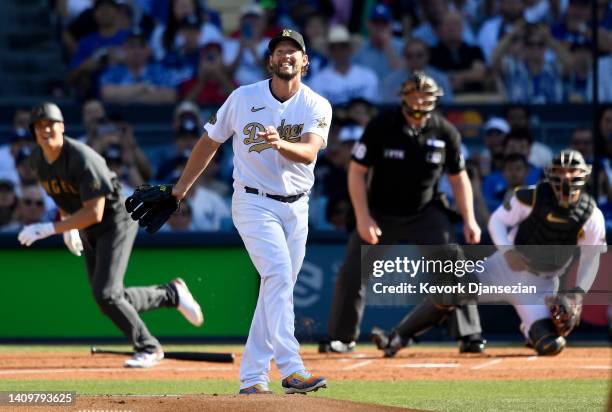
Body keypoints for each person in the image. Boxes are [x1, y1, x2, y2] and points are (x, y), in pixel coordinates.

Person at [170, 29, 332, 394]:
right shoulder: (243, 97)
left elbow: (309, 153)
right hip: (253, 200)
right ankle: (292, 369)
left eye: (294, 51)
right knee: (276, 274)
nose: (286, 56)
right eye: (279, 51)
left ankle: (253, 378)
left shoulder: (317, 104)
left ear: (304, 61)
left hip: (297, 206)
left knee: (276, 288)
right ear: (270, 60)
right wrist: (181, 188)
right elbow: (210, 140)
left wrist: (281, 143)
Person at [17, 102, 204, 368]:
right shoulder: (39, 159)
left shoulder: (81, 157)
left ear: (62, 126)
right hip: (87, 224)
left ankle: (149, 347)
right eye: (39, 126)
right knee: (107, 297)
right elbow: (61, 193)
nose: (45, 130)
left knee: (106, 293)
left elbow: (95, 212)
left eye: (50, 124)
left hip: (115, 220)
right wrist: (66, 222)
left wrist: (51, 228)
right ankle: (171, 294)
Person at [373, 149, 607, 357]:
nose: (565, 178)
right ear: (551, 173)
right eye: (561, 172)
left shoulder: (591, 216)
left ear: (583, 175)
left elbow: (591, 258)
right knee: (453, 288)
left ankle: (532, 328)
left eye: (571, 173)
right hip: (503, 268)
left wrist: (576, 294)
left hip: (539, 284)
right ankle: (397, 337)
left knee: (550, 345)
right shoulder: (531, 196)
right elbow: (496, 222)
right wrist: (507, 252)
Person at [322, 72, 485, 355]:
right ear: (403, 98)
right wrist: (362, 217)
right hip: (381, 211)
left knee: (454, 265)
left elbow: (459, 179)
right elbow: (357, 172)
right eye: (414, 95)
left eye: (425, 96)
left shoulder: (446, 131)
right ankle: (342, 338)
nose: (419, 101)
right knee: (352, 270)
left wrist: (469, 218)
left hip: (425, 210)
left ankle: (470, 335)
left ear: (435, 100)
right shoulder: (382, 125)